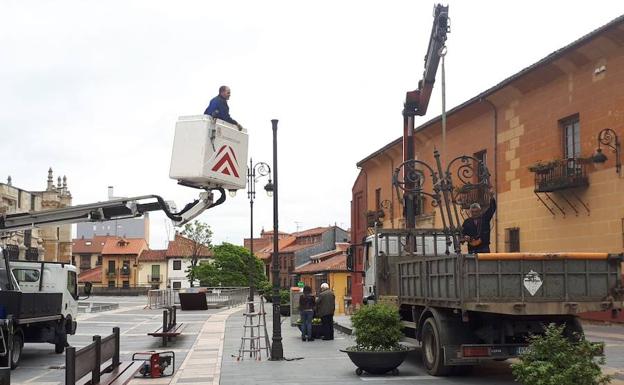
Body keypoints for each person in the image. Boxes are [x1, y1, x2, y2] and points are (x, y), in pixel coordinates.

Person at [462, 188, 496, 253]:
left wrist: (491, 197)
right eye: (473, 212)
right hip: (472, 249)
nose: (475, 213)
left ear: (480, 211)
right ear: (470, 212)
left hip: (484, 248)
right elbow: (462, 233)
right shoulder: (467, 222)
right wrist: (465, 237)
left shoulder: (485, 218)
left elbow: (492, 208)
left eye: (476, 211)